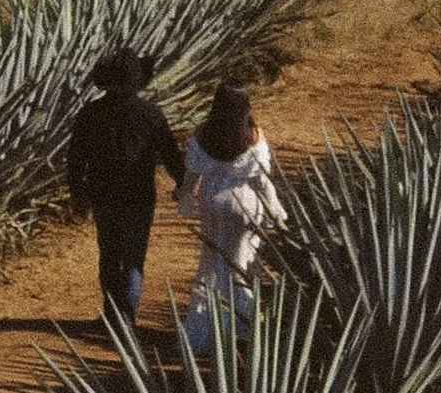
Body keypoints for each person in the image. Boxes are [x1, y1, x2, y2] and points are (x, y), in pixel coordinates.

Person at [66, 48, 184, 324]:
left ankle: (111, 313)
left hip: (103, 195)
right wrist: (182, 182)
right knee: (134, 255)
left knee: (108, 253)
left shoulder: (90, 113)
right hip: (139, 195)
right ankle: (127, 316)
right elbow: (169, 153)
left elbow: (75, 157)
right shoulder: (150, 114)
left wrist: (77, 193)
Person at [177, 82, 286, 348]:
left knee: (211, 261)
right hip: (245, 202)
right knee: (242, 262)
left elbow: (192, 173)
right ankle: (241, 325)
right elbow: (261, 177)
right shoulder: (253, 134)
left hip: (212, 200)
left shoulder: (204, 132)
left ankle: (204, 328)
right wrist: (276, 211)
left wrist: (186, 198)